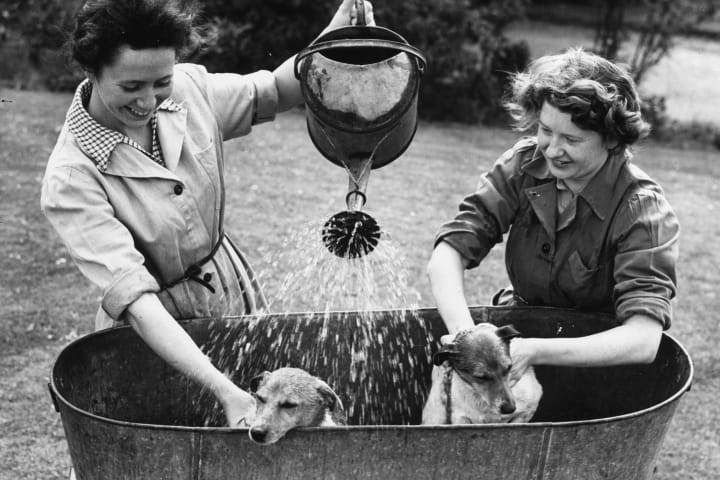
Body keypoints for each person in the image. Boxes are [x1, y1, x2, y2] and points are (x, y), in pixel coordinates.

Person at [41, 0, 373, 426]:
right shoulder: (72, 176)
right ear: (91, 71)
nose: (148, 101)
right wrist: (222, 388)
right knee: (171, 443)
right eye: (130, 87)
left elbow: (275, 89)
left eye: (161, 80)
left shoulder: (189, 89)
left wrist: (335, 34)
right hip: (153, 331)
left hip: (229, 290)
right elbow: (136, 301)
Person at [427, 47, 679, 382]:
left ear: (612, 140)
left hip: (599, 370)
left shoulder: (643, 210)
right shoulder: (525, 165)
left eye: (571, 139)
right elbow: (449, 253)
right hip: (521, 332)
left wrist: (534, 350)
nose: (552, 150)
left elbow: (642, 340)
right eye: (546, 130)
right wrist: (464, 337)